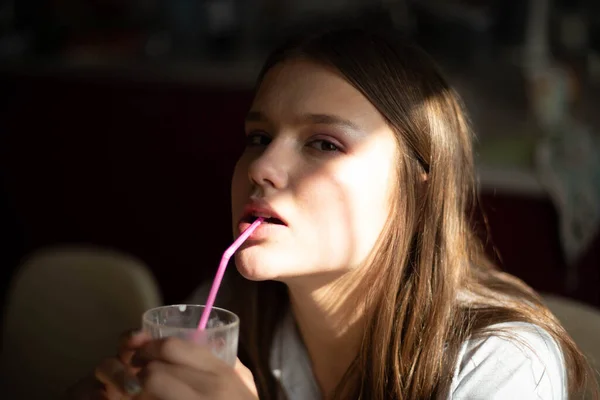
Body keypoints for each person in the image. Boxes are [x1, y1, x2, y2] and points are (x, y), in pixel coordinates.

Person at [67, 27, 597, 399]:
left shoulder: (500, 365)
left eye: (323, 143)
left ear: (416, 189)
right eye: (258, 136)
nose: (263, 167)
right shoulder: (228, 310)